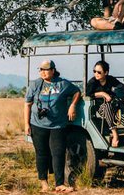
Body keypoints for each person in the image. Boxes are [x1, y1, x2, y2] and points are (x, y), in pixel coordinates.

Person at [24, 59, 82, 192]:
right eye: (41, 70)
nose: (43, 72)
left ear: (53, 70)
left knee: (58, 153)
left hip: (58, 125)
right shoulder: (35, 84)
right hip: (37, 124)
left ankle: (59, 184)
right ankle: (44, 183)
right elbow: (27, 104)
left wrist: (72, 105)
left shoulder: (62, 83)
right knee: (41, 153)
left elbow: (77, 91)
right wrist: (26, 123)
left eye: (46, 70)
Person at [85, 60, 124, 146]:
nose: (96, 74)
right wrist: (103, 94)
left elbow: (120, 86)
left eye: (99, 72)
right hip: (101, 107)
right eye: (94, 71)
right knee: (107, 107)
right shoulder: (93, 82)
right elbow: (88, 93)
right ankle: (115, 134)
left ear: (106, 73)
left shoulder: (110, 79)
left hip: (113, 105)